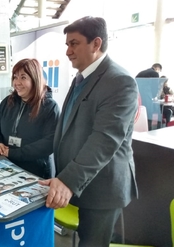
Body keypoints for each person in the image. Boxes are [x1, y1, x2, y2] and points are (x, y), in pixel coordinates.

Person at [39, 17, 138, 247]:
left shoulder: (119, 81)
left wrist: (68, 180)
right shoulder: (82, 76)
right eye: (67, 45)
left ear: (96, 43)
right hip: (78, 181)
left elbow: (105, 140)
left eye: (74, 44)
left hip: (103, 187)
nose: (68, 52)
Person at [0, 58, 60, 179]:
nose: (17, 82)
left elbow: (49, 143)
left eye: (23, 77)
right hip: (6, 166)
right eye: (15, 77)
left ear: (35, 79)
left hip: (36, 173)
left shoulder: (50, 107)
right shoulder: (8, 102)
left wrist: (13, 153)